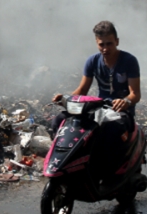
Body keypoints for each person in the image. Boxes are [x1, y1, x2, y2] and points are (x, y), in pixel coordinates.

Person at [51, 21, 141, 176]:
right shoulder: (92, 61)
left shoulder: (129, 61)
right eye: (101, 45)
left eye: (109, 44)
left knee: (111, 129)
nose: (105, 49)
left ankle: (109, 170)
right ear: (96, 43)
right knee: (59, 120)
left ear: (117, 42)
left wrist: (125, 101)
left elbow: (135, 94)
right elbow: (82, 90)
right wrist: (65, 98)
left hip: (121, 112)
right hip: (99, 108)